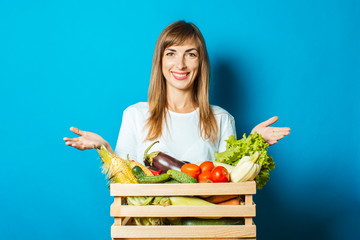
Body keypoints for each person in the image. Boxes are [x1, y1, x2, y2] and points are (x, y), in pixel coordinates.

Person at [63, 21, 290, 164]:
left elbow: (228, 181)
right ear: (160, 61)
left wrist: (252, 143)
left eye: (191, 54)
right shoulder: (135, 115)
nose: (180, 64)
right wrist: (105, 148)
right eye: (171, 53)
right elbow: (125, 179)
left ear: (201, 63)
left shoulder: (221, 119)